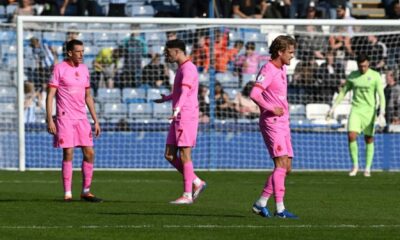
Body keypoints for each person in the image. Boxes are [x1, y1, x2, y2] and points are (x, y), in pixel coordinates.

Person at [46, 39, 102, 202]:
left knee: (90, 153)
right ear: (70, 53)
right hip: (65, 117)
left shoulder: (84, 69)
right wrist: (49, 118)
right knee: (68, 152)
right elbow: (50, 96)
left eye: (83, 51)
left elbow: (88, 96)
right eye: (78, 51)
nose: (81, 54)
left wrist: (95, 120)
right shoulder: (59, 68)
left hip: (81, 118)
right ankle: (68, 193)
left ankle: (86, 191)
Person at [249, 35, 298, 219]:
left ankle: (260, 203)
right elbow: (254, 93)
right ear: (280, 52)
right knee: (280, 164)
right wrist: (271, 108)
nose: (292, 56)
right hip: (272, 122)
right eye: (290, 52)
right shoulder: (268, 69)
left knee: (287, 167)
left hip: (284, 122)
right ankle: (280, 209)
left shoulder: (282, 68)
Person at [154, 39, 206, 204]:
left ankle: (187, 195)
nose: (166, 55)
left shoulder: (188, 69)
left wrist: (176, 109)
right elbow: (180, 92)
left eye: (167, 52)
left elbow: (185, 92)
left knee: (185, 154)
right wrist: (167, 98)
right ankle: (197, 182)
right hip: (178, 115)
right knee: (169, 155)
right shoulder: (182, 68)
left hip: (186, 116)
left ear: (177, 51)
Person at [327, 53, 386, 177]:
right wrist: (333, 107)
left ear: (368, 64)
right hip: (356, 110)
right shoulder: (353, 76)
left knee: (368, 138)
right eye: (360, 66)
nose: (363, 69)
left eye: (364, 66)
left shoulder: (375, 76)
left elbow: (381, 95)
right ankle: (355, 166)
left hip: (370, 111)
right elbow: (343, 92)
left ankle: (368, 168)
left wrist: (382, 112)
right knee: (351, 135)